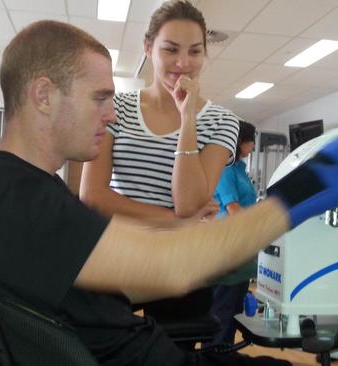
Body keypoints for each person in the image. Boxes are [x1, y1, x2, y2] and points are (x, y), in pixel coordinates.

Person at [0, 19, 338, 366]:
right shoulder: (9, 194)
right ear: (44, 95)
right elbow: (169, 266)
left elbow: (127, 276)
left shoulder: (4, 190)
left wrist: (216, 251)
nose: (110, 114)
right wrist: (305, 191)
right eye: (99, 98)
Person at [79, 0, 239, 325]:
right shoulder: (116, 108)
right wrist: (175, 223)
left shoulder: (222, 121)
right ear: (148, 48)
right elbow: (93, 196)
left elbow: (188, 202)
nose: (183, 63)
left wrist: (188, 118)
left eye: (195, 52)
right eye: (170, 50)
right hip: (117, 256)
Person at [208, 120, 258, 346]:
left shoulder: (239, 168)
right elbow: (234, 209)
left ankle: (226, 355)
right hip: (228, 246)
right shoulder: (225, 169)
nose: (254, 146)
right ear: (239, 142)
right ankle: (214, 356)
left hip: (242, 247)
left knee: (235, 310)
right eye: (251, 141)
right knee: (223, 312)